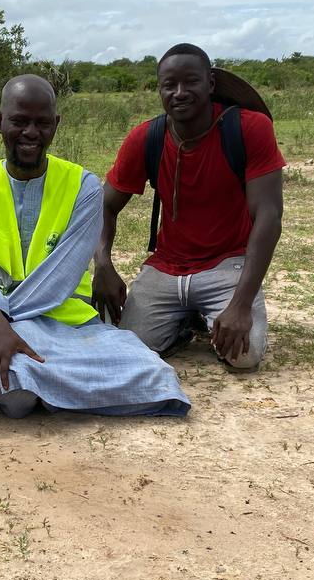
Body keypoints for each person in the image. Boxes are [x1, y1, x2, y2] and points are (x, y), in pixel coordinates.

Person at [0, 75, 190, 419]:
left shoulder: (83, 187)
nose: (31, 132)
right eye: (19, 121)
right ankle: (57, 390)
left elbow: (60, 278)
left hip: (70, 327)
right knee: (15, 382)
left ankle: (48, 389)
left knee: (154, 373)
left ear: (56, 125)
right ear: (0, 122)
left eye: (42, 123)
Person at [93, 43, 285, 373]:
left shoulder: (249, 128)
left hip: (228, 262)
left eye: (191, 82)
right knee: (123, 348)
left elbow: (268, 215)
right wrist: (102, 264)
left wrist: (240, 304)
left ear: (210, 84)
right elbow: (102, 207)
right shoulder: (146, 138)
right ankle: (184, 321)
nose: (179, 93)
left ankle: (213, 311)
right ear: (159, 90)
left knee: (245, 355)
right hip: (167, 267)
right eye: (169, 85)